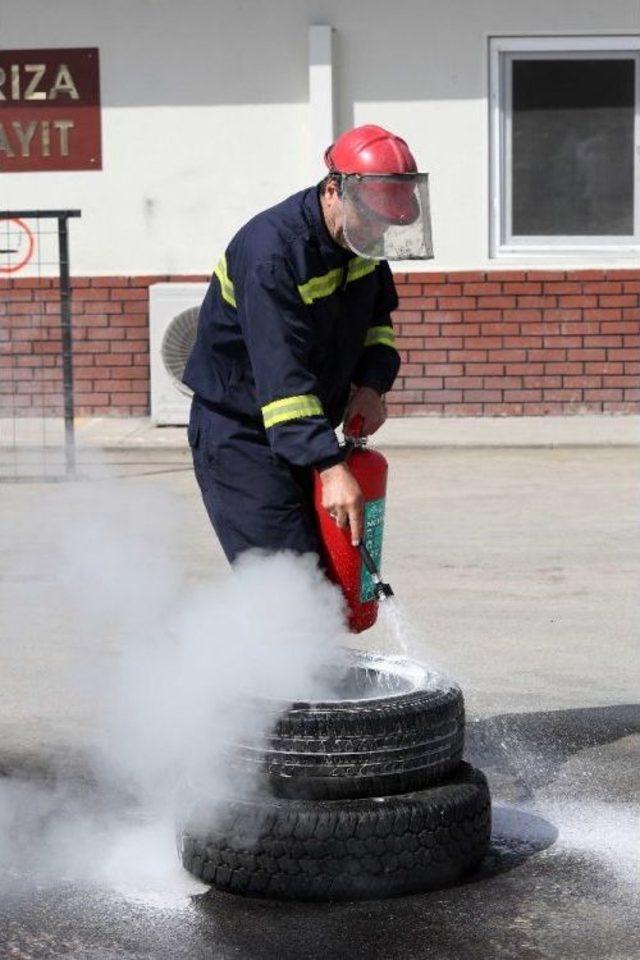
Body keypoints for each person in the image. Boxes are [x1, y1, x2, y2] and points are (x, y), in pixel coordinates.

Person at [182, 124, 432, 563]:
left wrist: (372, 385)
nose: (378, 234)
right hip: (242, 435)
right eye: (372, 220)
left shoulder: (359, 242)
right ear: (334, 190)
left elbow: (376, 322)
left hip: (303, 430)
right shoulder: (272, 255)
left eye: (386, 224)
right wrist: (329, 466)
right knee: (290, 587)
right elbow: (282, 381)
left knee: (323, 582)